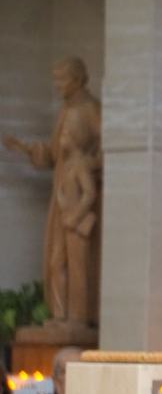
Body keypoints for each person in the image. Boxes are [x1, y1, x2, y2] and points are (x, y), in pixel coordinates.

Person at [2, 57, 101, 326]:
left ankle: (78, 318)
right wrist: (24, 148)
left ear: (78, 80)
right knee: (56, 259)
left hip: (78, 205)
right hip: (61, 195)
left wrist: (81, 165)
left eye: (62, 79)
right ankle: (59, 315)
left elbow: (106, 153)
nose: (58, 86)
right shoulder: (65, 109)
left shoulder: (90, 109)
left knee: (76, 262)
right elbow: (55, 153)